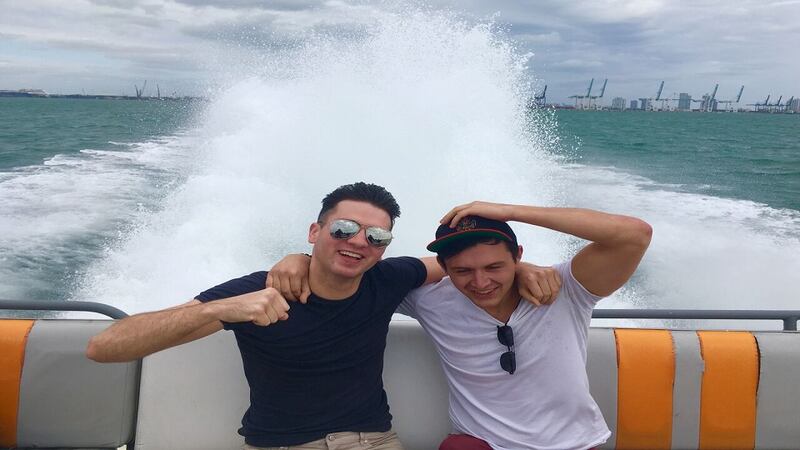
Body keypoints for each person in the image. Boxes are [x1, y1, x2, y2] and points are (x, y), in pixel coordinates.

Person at [86, 182, 559, 450]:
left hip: (374, 441)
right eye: (345, 229)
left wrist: (521, 268)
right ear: (316, 230)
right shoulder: (257, 292)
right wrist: (221, 309)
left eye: (376, 237)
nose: (359, 242)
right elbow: (104, 347)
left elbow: (461, 264)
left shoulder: (388, 278)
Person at [270, 200, 651, 450]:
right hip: (479, 444)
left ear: (518, 256)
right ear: (446, 270)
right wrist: (300, 257)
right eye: (463, 271)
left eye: (495, 267)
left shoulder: (567, 289)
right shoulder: (431, 297)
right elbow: (351, 272)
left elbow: (634, 235)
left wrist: (509, 212)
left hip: (574, 443)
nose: (481, 282)